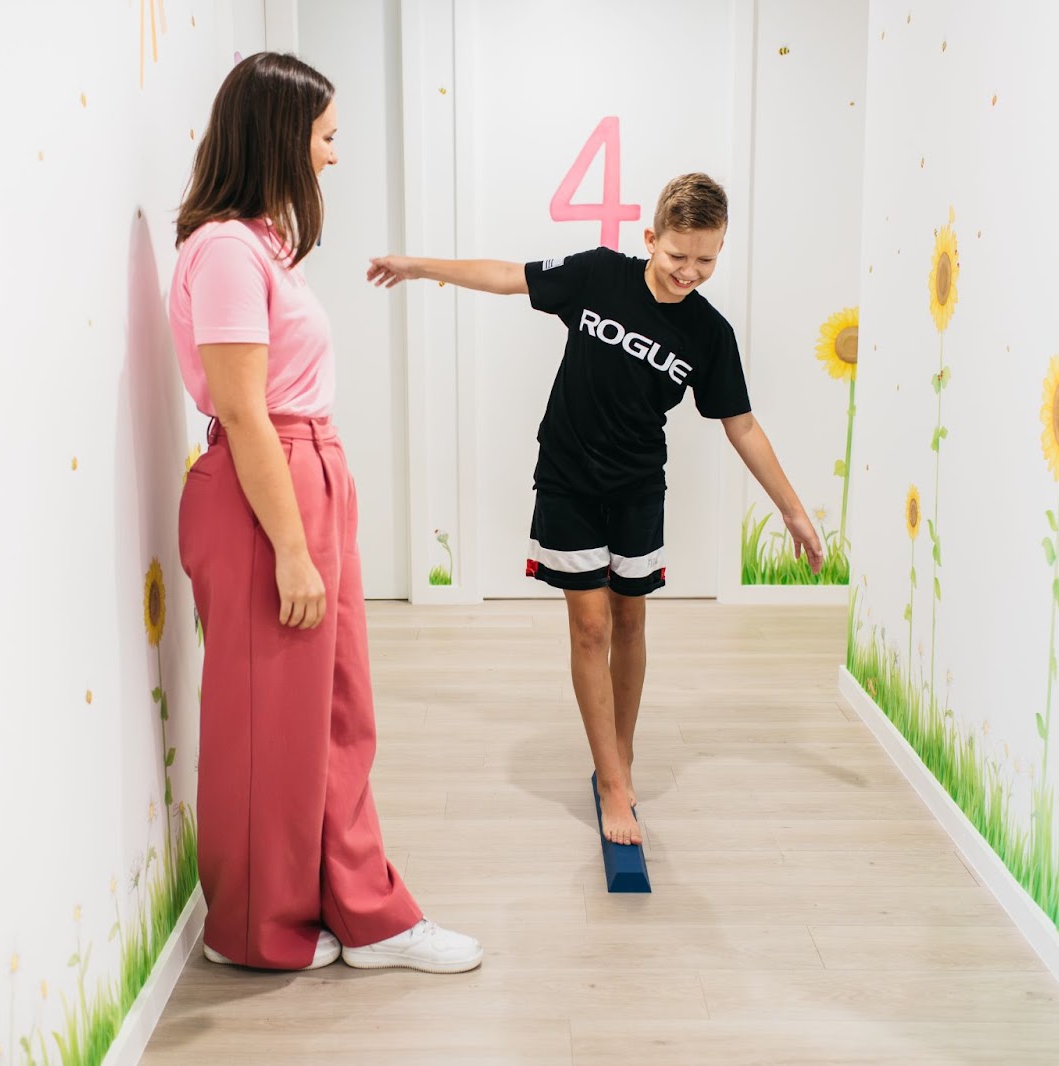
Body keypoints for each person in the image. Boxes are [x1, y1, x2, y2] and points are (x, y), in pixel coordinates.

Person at [366, 173, 823, 847]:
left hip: (639, 487)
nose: (689, 272)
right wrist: (418, 265)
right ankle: (611, 783)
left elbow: (742, 425)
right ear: (650, 239)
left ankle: (621, 754)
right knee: (589, 627)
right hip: (568, 478)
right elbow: (507, 276)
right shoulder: (598, 276)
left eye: (706, 260)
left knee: (630, 623)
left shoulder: (708, 333)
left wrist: (792, 510)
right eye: (677, 256)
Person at [169, 51, 481, 973]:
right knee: (269, 721)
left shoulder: (260, 247)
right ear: (281, 135)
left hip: (305, 468)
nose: (333, 157)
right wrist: (293, 550)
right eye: (328, 137)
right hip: (270, 482)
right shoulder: (226, 250)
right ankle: (259, 931)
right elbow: (240, 407)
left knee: (339, 710)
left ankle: (360, 907)